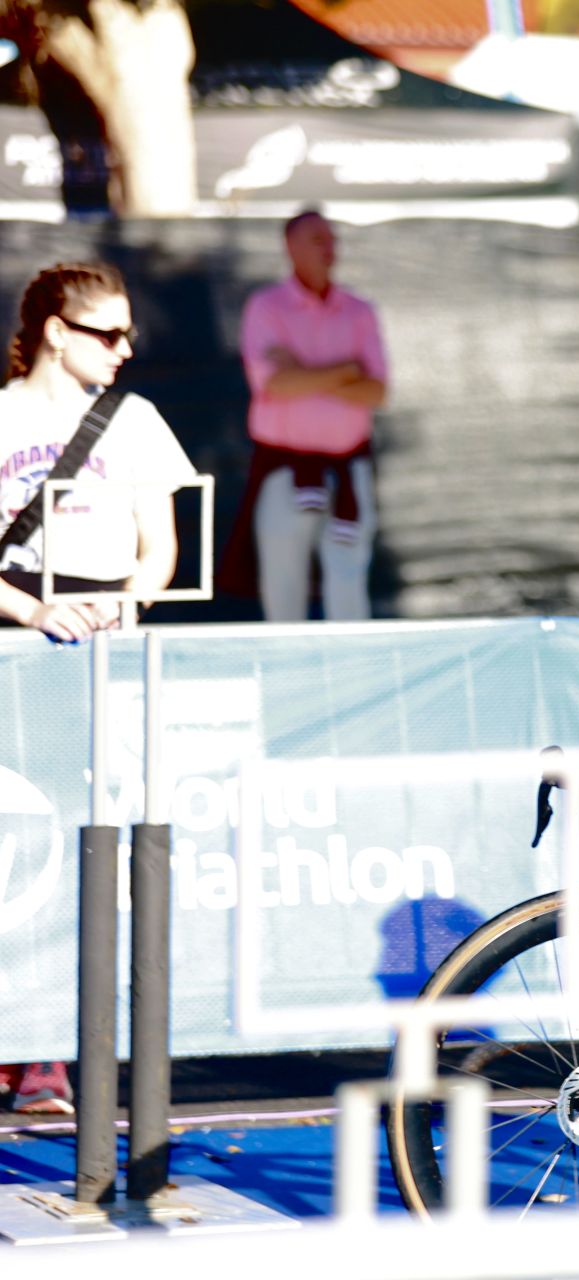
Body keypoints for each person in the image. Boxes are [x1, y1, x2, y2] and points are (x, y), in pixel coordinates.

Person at [0, 259, 197, 1112]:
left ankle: (46, 1054)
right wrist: (30, 611)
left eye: (129, 335)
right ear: (55, 330)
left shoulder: (137, 420)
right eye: (107, 332)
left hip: (101, 665)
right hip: (15, 648)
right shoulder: (2, 418)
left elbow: (160, 552)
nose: (123, 350)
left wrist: (124, 603)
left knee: (81, 855)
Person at [221, 208, 387, 621]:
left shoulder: (359, 310)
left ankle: (354, 677)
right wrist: (345, 371)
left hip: (349, 468)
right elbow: (273, 384)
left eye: (332, 239)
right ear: (290, 247)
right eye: (318, 239)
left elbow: (376, 390)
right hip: (285, 469)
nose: (329, 249)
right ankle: (288, 679)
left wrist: (302, 369)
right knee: (283, 584)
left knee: (348, 582)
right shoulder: (266, 307)